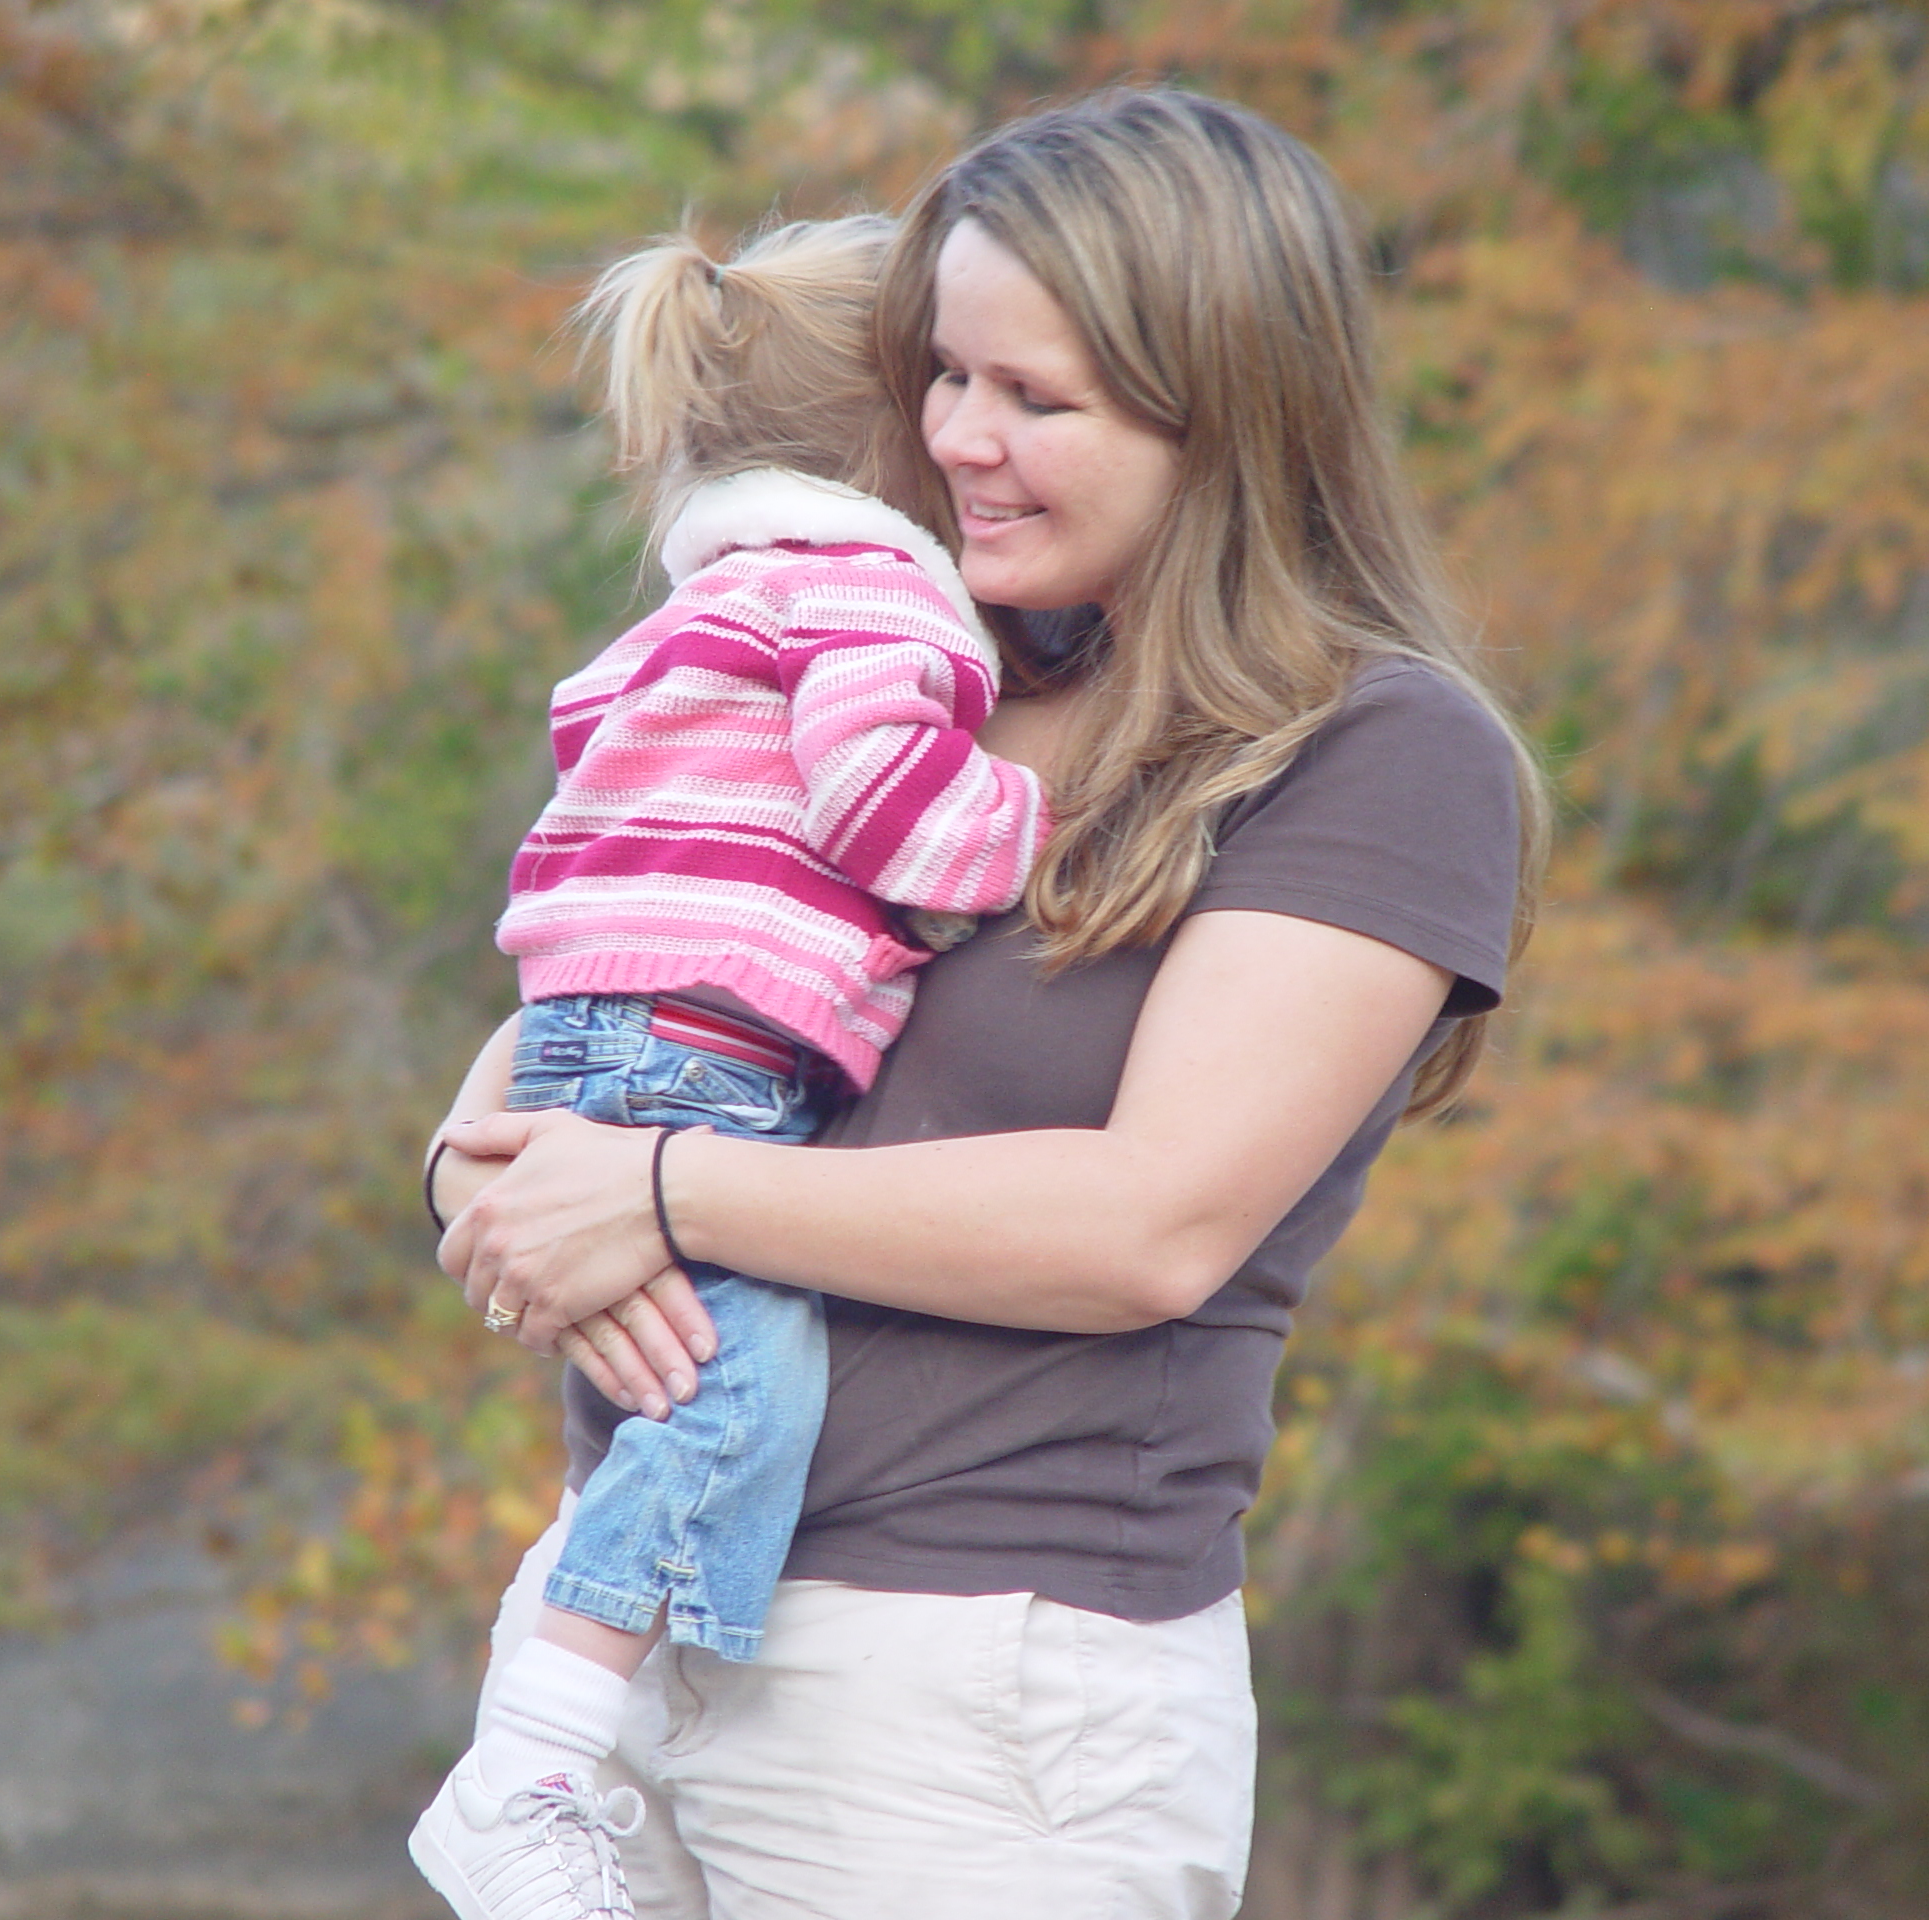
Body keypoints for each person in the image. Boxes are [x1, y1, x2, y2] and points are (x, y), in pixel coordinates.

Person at [431, 86, 1550, 1920]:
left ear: (1234, 414)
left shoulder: (1373, 753)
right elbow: (621, 968)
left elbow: (1150, 1227)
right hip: (628, 1631)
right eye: (941, 378)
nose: (959, 441)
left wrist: (648, 1196)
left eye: (1042, 402)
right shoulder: (902, 662)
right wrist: (476, 1175)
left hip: (977, 1698)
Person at [407, 215, 1051, 1920]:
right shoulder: (878, 597)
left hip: (586, 1033)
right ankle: (528, 1768)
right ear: (899, 438)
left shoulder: (711, 602)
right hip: (705, 1064)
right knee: (740, 1400)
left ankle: (548, 1741)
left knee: (682, 1384)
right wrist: (1030, 824)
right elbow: (878, 806)